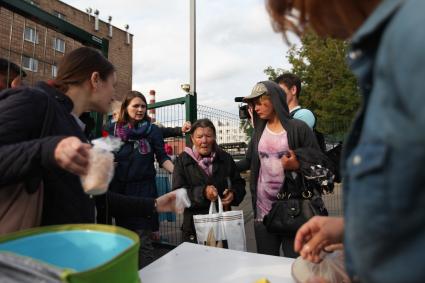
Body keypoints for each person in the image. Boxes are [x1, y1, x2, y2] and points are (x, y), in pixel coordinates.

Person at [267, 0, 425, 282]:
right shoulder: (390, 54)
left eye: (302, 11)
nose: (310, 28)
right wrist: (354, 232)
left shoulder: (413, 44)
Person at [0, 47, 179, 229]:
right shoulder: (34, 101)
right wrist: (49, 150)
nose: (114, 95)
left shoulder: (78, 127)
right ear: (95, 80)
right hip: (24, 251)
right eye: (113, 85)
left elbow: (93, 197)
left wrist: (155, 204)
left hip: (64, 248)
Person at [238, 81, 327, 258]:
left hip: (294, 212)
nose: (255, 108)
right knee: (265, 264)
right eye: (252, 104)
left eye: (258, 102)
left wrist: (298, 165)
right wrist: (220, 161)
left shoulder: (298, 129)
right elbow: (248, 161)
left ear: (275, 100)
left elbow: (322, 169)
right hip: (263, 214)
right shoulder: (258, 132)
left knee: (295, 266)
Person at [108, 90, 174, 268]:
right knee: (123, 240)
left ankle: (146, 276)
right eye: (135, 106)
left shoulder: (152, 131)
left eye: (143, 106)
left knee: (142, 240)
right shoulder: (113, 130)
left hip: (144, 192)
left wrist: (176, 172)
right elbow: (103, 154)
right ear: (125, 108)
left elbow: (162, 157)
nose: (140, 109)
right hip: (120, 192)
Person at [172, 118, 246, 243]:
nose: (204, 141)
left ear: (214, 137)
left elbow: (239, 183)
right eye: (199, 136)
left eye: (208, 136)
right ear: (192, 139)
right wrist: (203, 192)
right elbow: (177, 195)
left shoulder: (225, 158)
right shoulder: (183, 161)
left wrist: (233, 194)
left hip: (223, 225)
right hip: (193, 227)